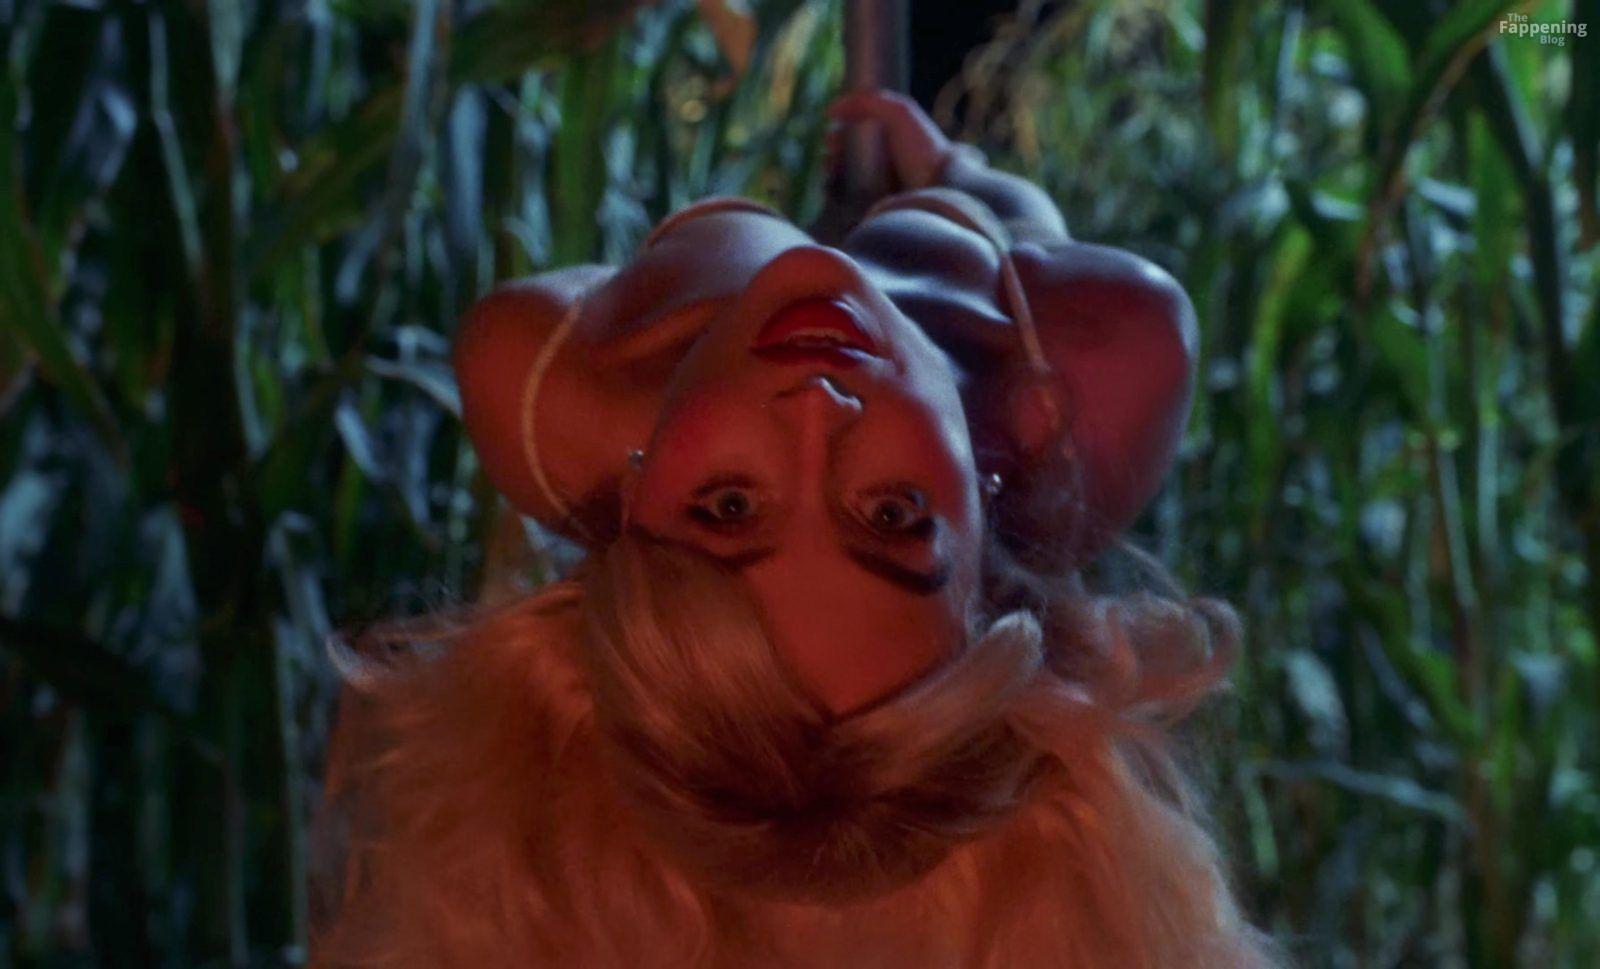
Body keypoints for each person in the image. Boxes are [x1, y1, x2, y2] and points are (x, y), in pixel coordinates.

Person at [311, 91, 1278, 967]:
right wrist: (954, 174)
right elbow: (1031, 237)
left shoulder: (547, 385)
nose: (817, 410)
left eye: (729, 506)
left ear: (629, 515)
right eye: (893, 514)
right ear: (992, 552)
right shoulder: (1087, 374)